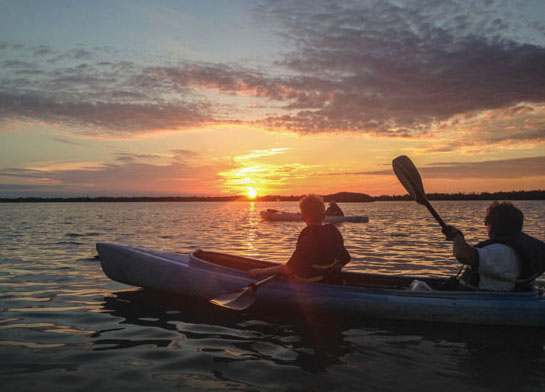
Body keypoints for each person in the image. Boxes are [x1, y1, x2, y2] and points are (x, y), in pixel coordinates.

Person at [442, 201, 545, 291]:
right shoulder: (521, 249)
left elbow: (462, 254)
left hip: (481, 302)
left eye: (486, 223)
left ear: (493, 225)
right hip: (513, 297)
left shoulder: (500, 252)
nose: (486, 227)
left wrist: (456, 235)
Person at [248, 194, 351, 283]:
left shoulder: (308, 239)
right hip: (328, 281)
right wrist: (329, 271)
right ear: (324, 216)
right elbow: (346, 258)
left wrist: (260, 271)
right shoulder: (334, 233)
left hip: (311, 285)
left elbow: (287, 269)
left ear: (303, 217)